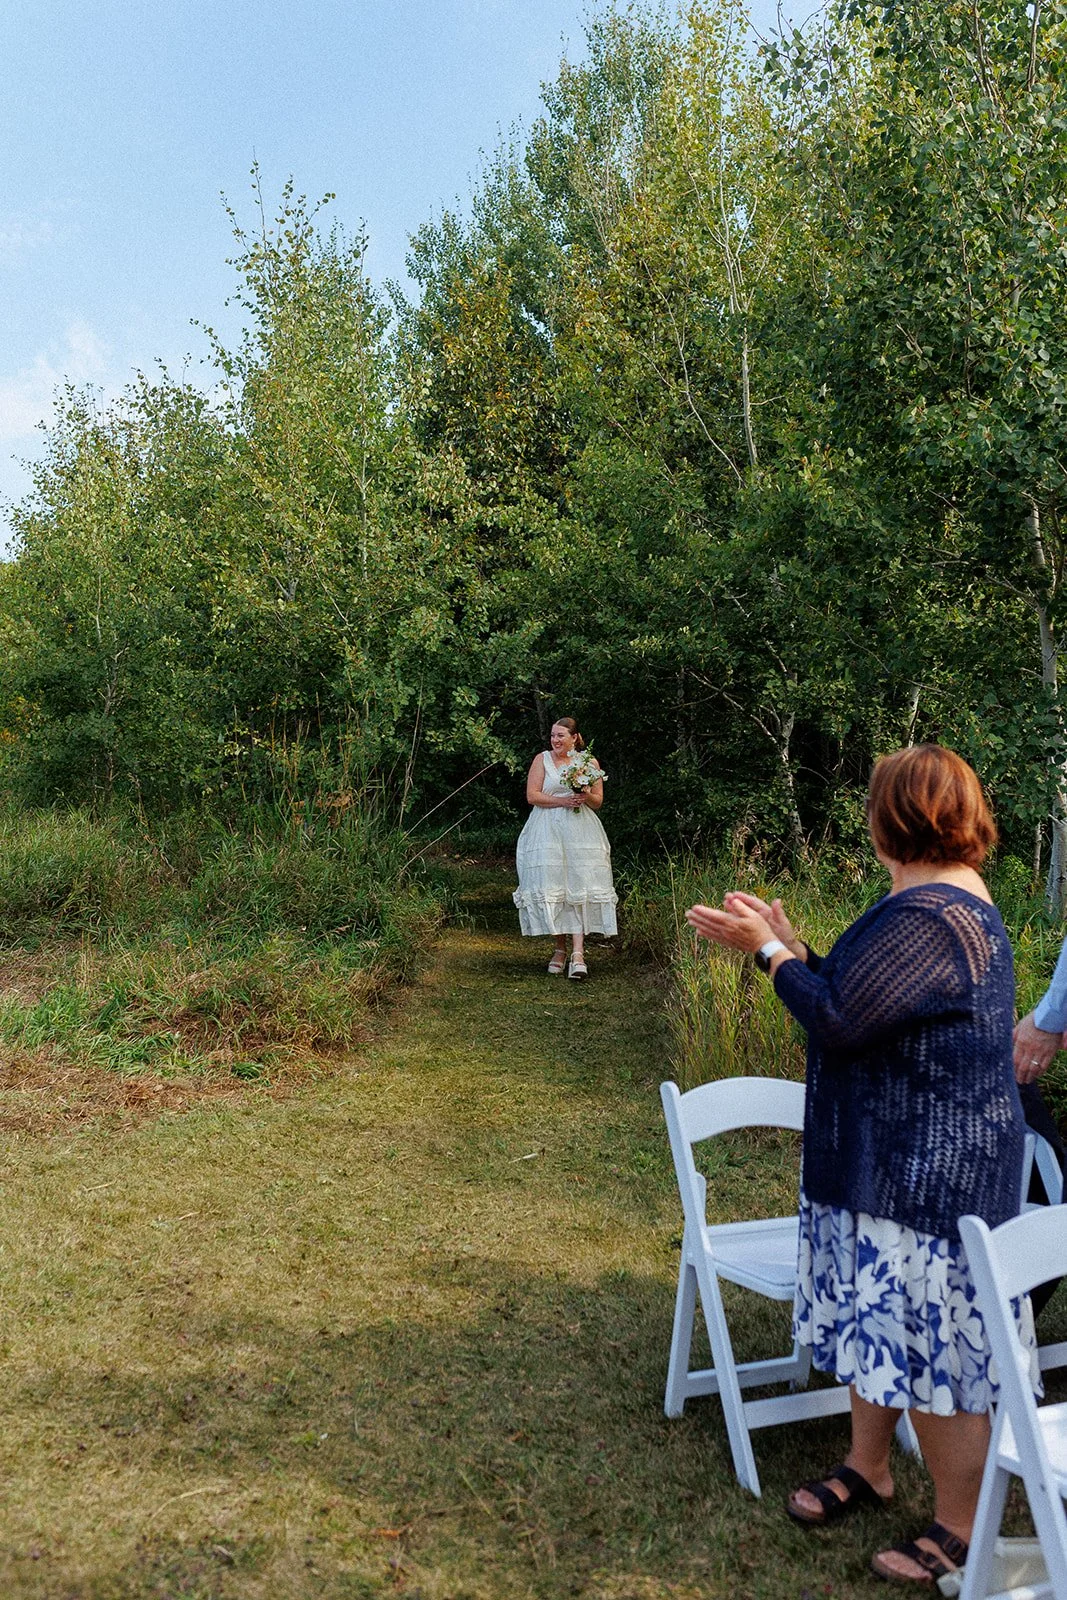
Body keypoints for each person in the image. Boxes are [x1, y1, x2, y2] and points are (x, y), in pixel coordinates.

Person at [685, 745, 1036, 1588]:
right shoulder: (923, 902)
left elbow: (837, 1019)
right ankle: (867, 1467)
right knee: (877, 1330)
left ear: (896, 819)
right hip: (890, 1165)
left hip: (927, 1179)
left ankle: (958, 1525)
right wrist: (790, 944)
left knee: (933, 1358)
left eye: (875, 803)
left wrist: (771, 955)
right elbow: (860, 994)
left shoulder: (936, 915)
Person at [513, 717, 618, 979]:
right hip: (547, 828)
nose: (555, 740)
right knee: (554, 885)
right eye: (552, 736)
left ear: (575, 737)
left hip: (580, 831)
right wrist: (562, 800)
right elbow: (532, 795)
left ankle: (579, 954)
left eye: (560, 736)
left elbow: (597, 802)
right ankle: (559, 948)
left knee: (579, 884)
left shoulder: (588, 763)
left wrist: (583, 795)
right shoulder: (542, 760)